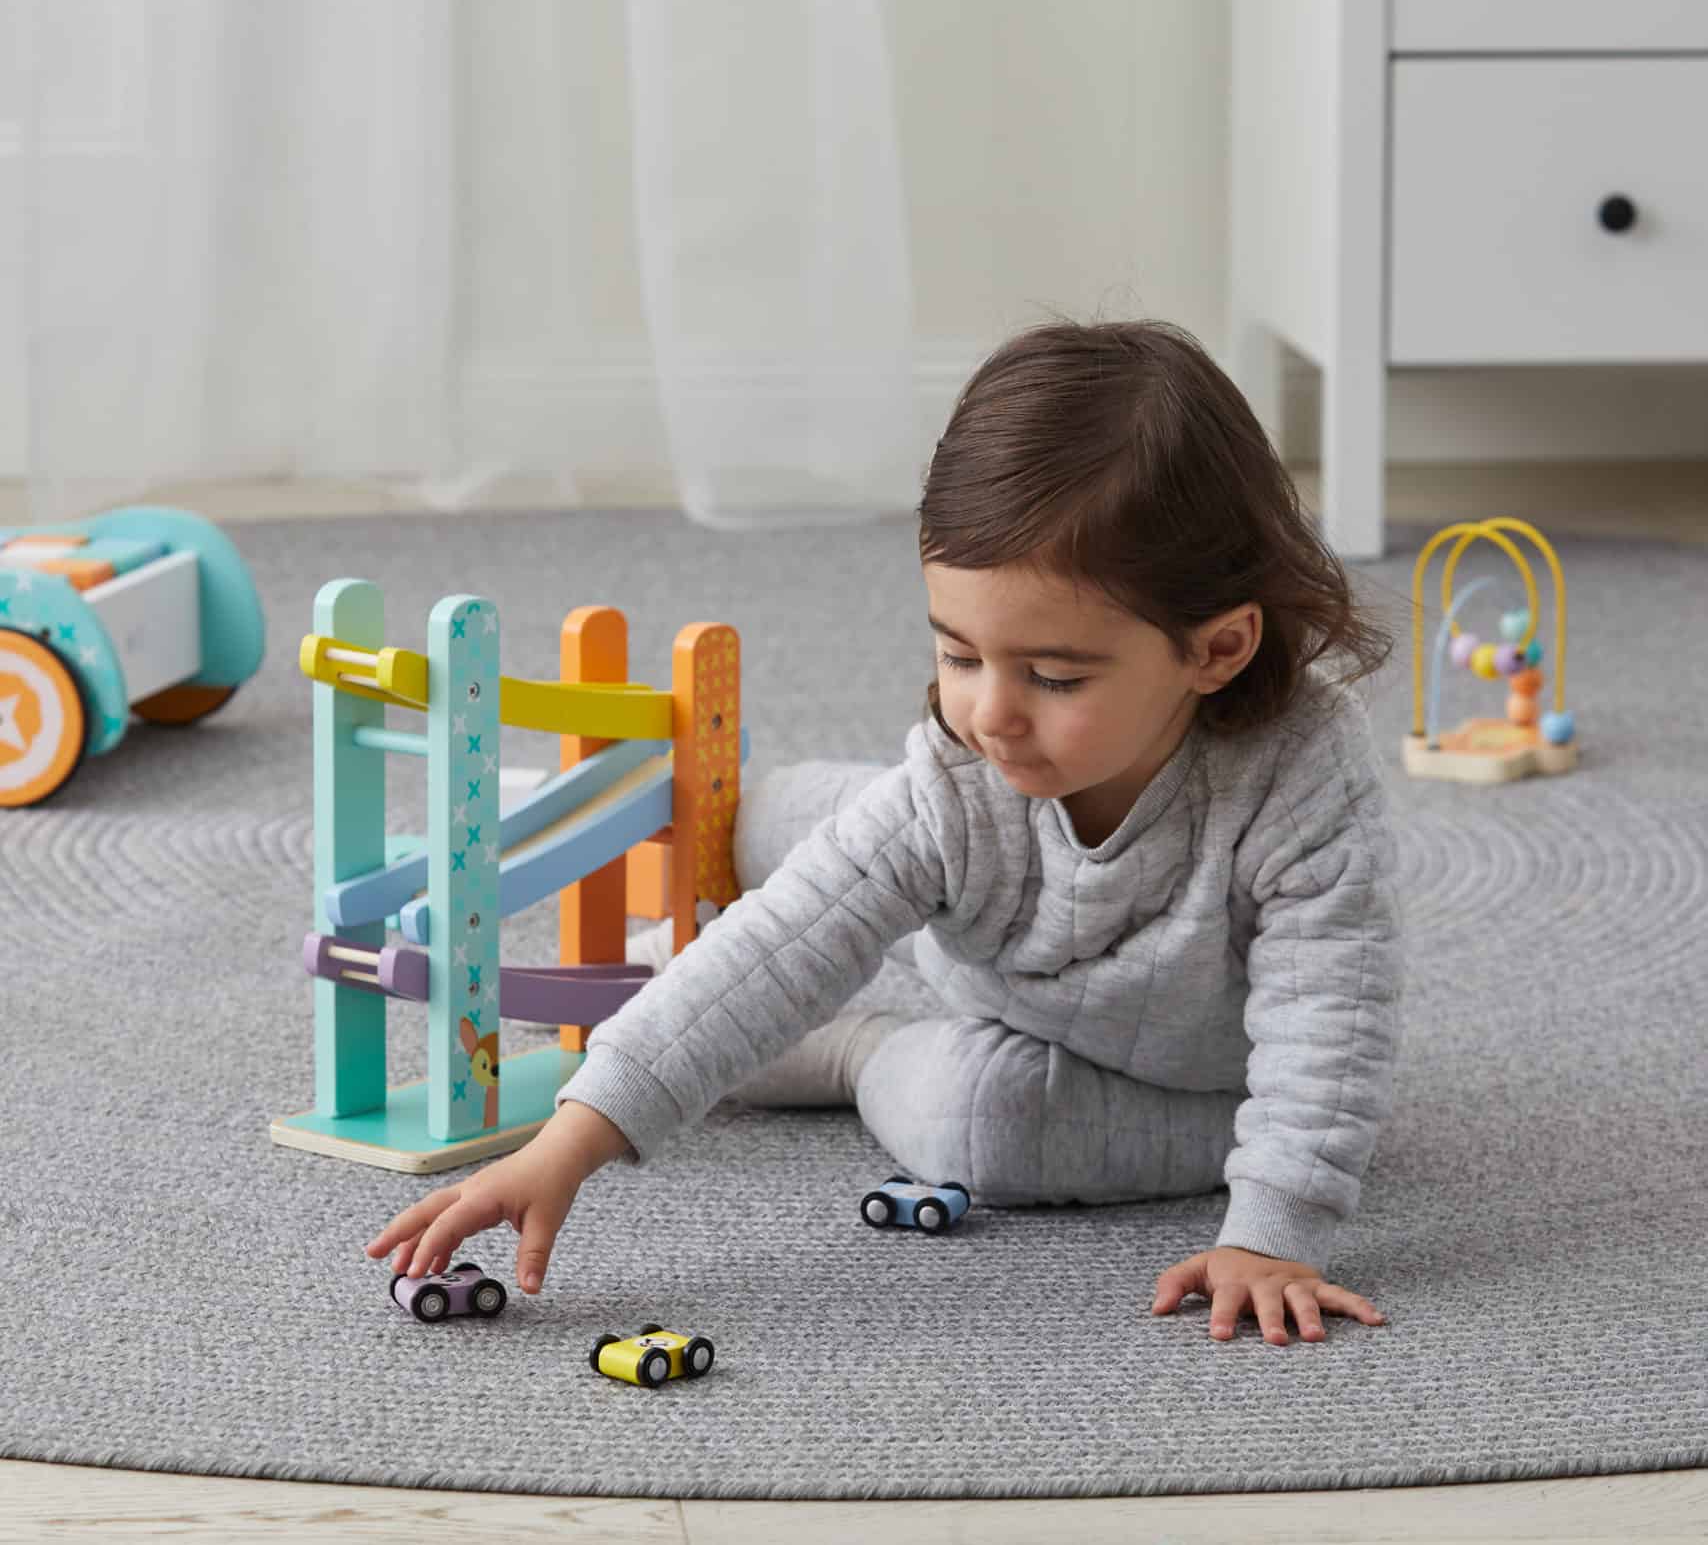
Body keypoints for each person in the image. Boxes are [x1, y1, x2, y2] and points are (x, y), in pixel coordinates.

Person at [368, 317, 1403, 1347]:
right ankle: (807, 998)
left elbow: (1330, 1026)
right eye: (959, 655)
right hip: (988, 938)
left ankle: (854, 1048)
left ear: (1215, 649)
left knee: (983, 1124)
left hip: (1164, 1069)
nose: (990, 712)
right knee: (778, 828)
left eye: (1052, 677)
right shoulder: (971, 761)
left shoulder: (1303, 771)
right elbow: (784, 941)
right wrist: (575, 1137)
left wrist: (1274, 1230)